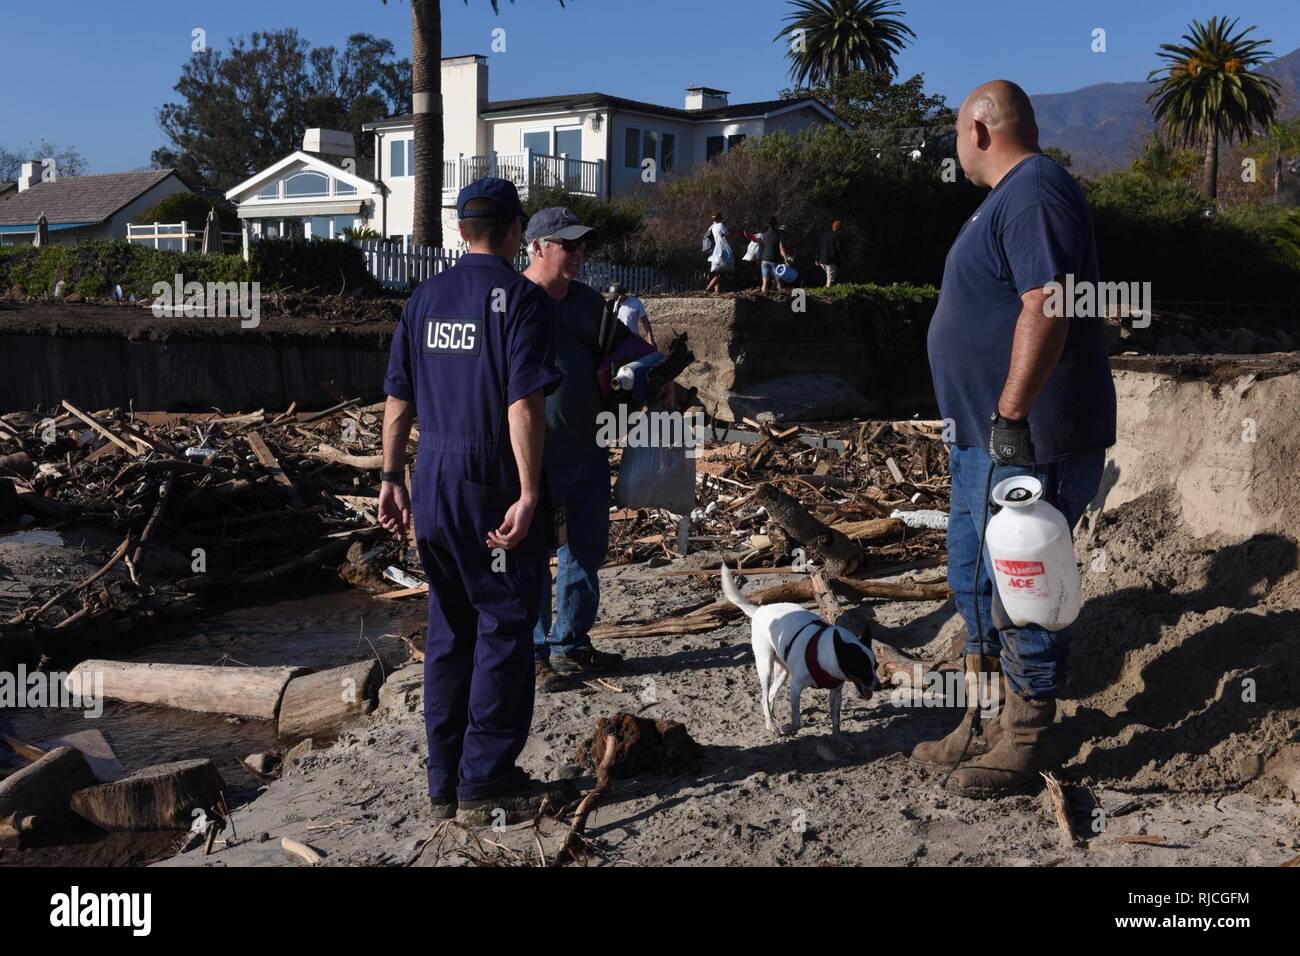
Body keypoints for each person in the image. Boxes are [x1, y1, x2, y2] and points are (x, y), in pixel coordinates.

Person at [917, 80, 1116, 798]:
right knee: (975, 576)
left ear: (977, 129)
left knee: (1022, 585)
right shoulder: (1004, 200)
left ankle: (1028, 735)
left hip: (1027, 439)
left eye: (954, 135)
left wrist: (1007, 415)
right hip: (985, 439)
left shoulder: (1034, 190)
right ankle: (982, 721)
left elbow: (1048, 301)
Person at [378, 178, 577, 825]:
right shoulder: (522, 302)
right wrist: (527, 491)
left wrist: (390, 476)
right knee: (503, 627)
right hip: (488, 479)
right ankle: (485, 782)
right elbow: (524, 403)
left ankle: (444, 782)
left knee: (448, 630)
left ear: (460, 230)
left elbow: (397, 402)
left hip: (432, 477)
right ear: (518, 228)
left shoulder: (424, 300)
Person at [522, 208, 627, 692]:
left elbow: (624, 349)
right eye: (568, 245)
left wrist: (657, 378)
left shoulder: (588, 303)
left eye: (582, 245)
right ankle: (535, 651)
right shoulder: (514, 301)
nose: (579, 254)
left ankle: (571, 644)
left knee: (586, 547)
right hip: (532, 457)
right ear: (538, 247)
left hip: (589, 447)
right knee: (534, 553)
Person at [604, 282, 658, 350]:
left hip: (633, 339)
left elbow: (645, 321)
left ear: (623, 294)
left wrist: (650, 339)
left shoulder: (635, 303)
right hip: (617, 342)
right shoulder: (610, 305)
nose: (614, 299)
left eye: (616, 297)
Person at [757, 217, 790, 294]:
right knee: (778, 280)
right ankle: (780, 297)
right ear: (776, 224)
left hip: (764, 260)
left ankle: (763, 299)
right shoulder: (778, 235)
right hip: (775, 260)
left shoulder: (763, 235)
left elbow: (762, 246)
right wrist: (786, 258)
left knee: (765, 282)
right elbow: (781, 249)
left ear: (768, 224)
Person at [704, 212, 733, 294]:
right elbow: (727, 234)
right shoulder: (720, 225)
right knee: (720, 274)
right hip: (720, 252)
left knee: (717, 273)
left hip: (713, 252)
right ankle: (707, 289)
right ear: (720, 218)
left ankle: (717, 292)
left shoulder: (711, 227)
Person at [814, 220, 845, 287]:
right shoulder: (836, 236)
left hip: (821, 260)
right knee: (830, 278)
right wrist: (845, 255)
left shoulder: (825, 235)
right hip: (829, 261)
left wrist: (817, 258)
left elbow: (818, 247)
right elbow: (839, 248)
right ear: (840, 228)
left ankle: (834, 287)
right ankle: (827, 293)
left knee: (831, 275)